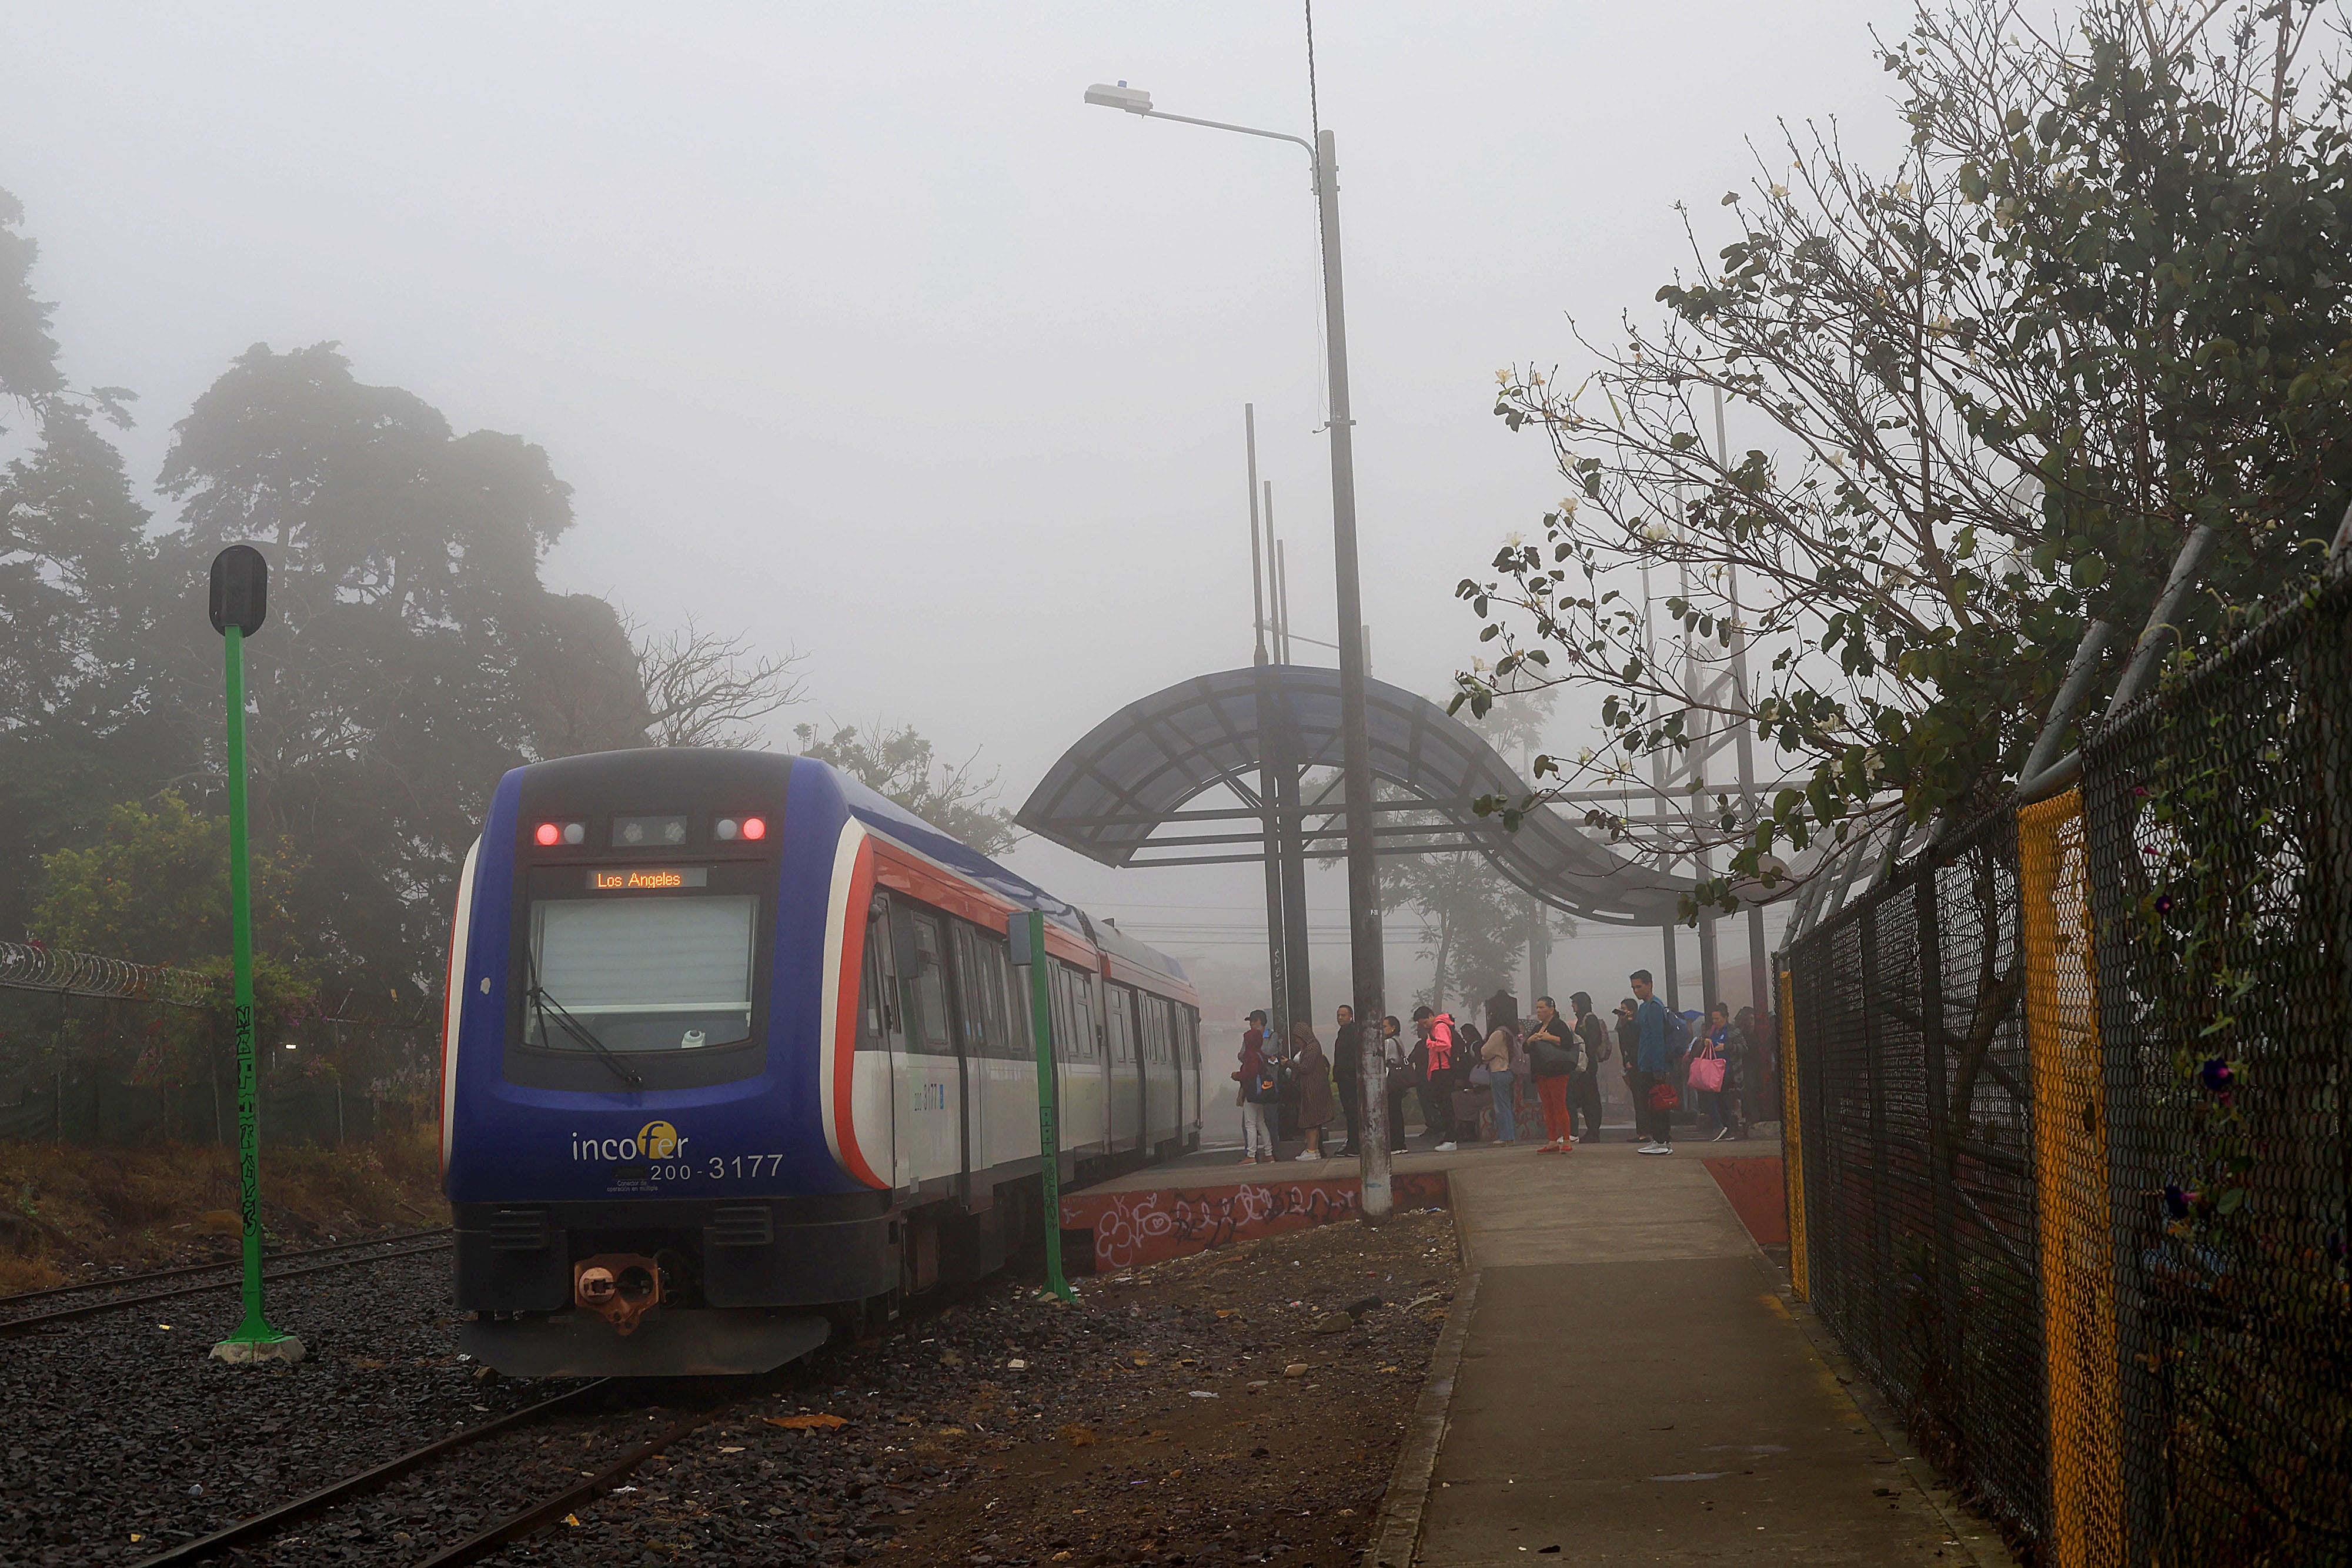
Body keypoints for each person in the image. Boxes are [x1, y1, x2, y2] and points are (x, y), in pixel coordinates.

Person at [1630, 970, 1683, 1154]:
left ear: (1650, 984)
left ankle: (1662, 1140)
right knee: (1651, 1103)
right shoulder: (1644, 1007)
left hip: (1654, 1064)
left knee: (1659, 1102)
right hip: (1646, 1062)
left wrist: (1659, 1068)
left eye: (1639, 986)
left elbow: (1658, 1039)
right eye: (1634, 988)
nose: (1636, 991)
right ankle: (1658, 1139)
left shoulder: (1654, 1006)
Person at [1524, 994, 1578, 1152]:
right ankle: (1553, 1140)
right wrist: (1530, 1040)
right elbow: (1525, 1048)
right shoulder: (1536, 1028)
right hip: (1540, 1072)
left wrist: (1550, 1038)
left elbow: (1568, 1043)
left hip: (1557, 1070)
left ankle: (1567, 1139)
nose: (1539, 1011)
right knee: (1547, 1107)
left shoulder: (1559, 1025)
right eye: (1537, 1008)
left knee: (1560, 1105)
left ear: (1551, 1009)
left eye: (1542, 1008)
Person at [1233, 1009, 1279, 1164]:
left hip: (1252, 1092)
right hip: (1262, 1091)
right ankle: (1269, 1153)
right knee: (1261, 1123)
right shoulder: (1260, 1054)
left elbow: (1250, 1073)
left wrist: (1237, 1076)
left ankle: (1251, 1155)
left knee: (1250, 1124)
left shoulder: (1252, 1055)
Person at [1413, 1006, 1462, 1151]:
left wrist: (1430, 1044)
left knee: (1444, 1103)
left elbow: (1445, 1044)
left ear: (1430, 1016)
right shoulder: (1439, 1026)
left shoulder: (1440, 1026)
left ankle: (1451, 1138)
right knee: (1441, 1102)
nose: (1424, 1027)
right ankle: (1449, 1136)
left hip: (1443, 1070)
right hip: (1440, 1069)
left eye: (1425, 1023)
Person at [1291, 1019, 1337, 1159]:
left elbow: (1305, 1068)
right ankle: (1314, 1150)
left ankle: (1311, 1150)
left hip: (1313, 1089)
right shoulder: (1313, 1047)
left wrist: (1288, 1063)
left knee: (1311, 1121)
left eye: (1298, 1038)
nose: (1297, 1041)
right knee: (1314, 1121)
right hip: (1314, 1088)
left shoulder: (1312, 1048)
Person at [1699, 1002, 1745, 1141]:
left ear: (1726, 1018)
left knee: (1713, 1095)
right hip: (1713, 1071)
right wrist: (1705, 1043)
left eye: (1718, 1019)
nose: (1715, 1022)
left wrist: (1726, 1047)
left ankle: (1720, 1126)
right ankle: (1727, 1128)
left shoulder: (1733, 1031)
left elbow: (1744, 1048)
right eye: (1714, 1019)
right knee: (1721, 1099)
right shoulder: (1711, 1032)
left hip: (1728, 1070)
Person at [1571, 992, 1611, 1141]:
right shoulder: (1583, 1020)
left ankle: (1594, 1130)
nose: (1573, 1006)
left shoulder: (1590, 1019)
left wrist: (1586, 1061)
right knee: (1587, 1097)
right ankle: (1592, 1130)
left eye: (1575, 1003)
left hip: (1588, 1064)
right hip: (1585, 1064)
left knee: (1590, 1098)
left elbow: (1593, 1041)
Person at [1479, 998, 1519, 1145]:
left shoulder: (1498, 1033)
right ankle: (1510, 1135)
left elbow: (1485, 1051)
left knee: (1501, 1106)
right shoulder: (1510, 1032)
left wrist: (1486, 1055)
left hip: (1498, 1071)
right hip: (1508, 1071)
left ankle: (1506, 1136)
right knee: (1507, 1105)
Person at [1331, 1004, 1364, 1158]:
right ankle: (1353, 1143)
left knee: (1352, 1113)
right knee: (1351, 1113)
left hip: (1349, 1079)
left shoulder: (1350, 1032)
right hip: (1346, 1078)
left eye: (1343, 1015)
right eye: (1338, 1015)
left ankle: (1355, 1145)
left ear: (1351, 1016)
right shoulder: (1344, 1032)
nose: (1340, 1018)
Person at [1382, 1015, 1414, 1154]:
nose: (1382, 1030)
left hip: (1391, 1081)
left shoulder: (1389, 1042)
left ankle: (1396, 1145)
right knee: (1396, 1112)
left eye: (1385, 1027)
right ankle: (1399, 1143)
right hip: (1399, 1082)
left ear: (1393, 1027)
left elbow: (1382, 1058)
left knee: (1392, 1113)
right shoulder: (1398, 1041)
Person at [1615, 998, 1642, 1143]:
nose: (1621, 1010)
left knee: (1640, 1098)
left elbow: (1633, 1044)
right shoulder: (1623, 1025)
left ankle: (1644, 1132)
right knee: (1636, 1098)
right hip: (1629, 1063)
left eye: (1624, 1008)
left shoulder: (1635, 1025)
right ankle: (1642, 1131)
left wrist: (1631, 1061)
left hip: (1637, 1064)